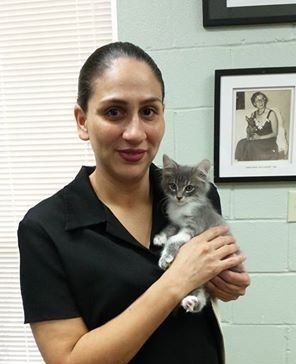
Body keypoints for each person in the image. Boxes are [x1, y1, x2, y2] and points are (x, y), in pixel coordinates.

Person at [18, 42, 250, 364]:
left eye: (149, 111)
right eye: (114, 112)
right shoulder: (45, 229)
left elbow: (209, 283)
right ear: (83, 121)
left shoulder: (200, 195)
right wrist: (176, 280)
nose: (135, 132)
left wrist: (225, 283)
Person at [235, 91, 279, 161]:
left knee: (250, 146)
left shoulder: (271, 113)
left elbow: (275, 133)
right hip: (257, 141)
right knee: (241, 143)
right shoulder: (253, 114)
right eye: (258, 100)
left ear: (265, 100)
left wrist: (260, 137)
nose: (260, 102)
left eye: (262, 99)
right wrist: (249, 135)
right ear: (254, 103)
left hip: (268, 142)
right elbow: (251, 128)